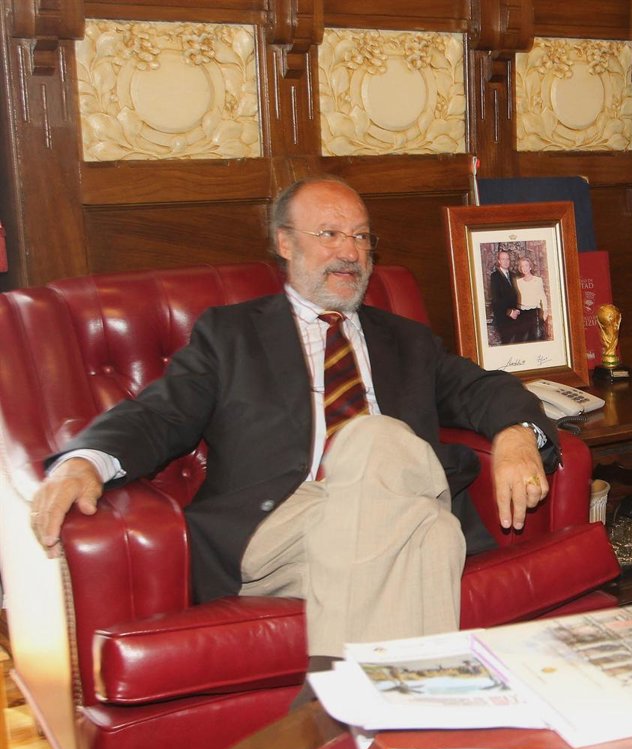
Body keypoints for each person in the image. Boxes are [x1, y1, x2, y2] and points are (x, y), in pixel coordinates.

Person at [30, 175, 559, 668]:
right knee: (426, 526)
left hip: (385, 509)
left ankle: (342, 708)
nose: (349, 252)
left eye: (361, 237)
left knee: (409, 502)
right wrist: (86, 461)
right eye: (329, 234)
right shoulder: (230, 335)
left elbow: (482, 388)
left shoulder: (406, 340)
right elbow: (160, 412)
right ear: (285, 243)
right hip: (277, 526)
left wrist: (517, 434)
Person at [489, 249, 523, 343]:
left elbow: (516, 294)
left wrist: (517, 310)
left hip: (515, 315)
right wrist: (509, 312)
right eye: (503, 259)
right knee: (507, 343)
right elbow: (495, 298)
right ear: (499, 261)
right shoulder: (494, 276)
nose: (506, 261)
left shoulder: (513, 275)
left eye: (507, 259)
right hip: (503, 316)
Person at [515, 256, 549, 340]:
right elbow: (516, 297)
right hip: (522, 312)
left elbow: (542, 296)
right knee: (522, 338)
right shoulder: (518, 282)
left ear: (530, 267)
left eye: (526, 265)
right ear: (520, 268)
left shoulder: (537, 280)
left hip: (535, 312)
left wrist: (545, 311)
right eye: (522, 266)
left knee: (535, 337)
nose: (524, 268)